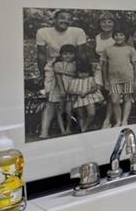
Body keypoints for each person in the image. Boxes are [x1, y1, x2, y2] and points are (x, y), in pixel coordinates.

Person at [36, 11, 87, 139]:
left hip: (71, 66)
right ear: (55, 19)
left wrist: (83, 71)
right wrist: (42, 72)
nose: (65, 20)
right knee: (51, 99)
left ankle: (75, 128)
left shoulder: (78, 31)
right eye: (62, 18)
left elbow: (82, 53)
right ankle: (44, 131)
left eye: (69, 18)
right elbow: (41, 54)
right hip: (52, 66)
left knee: (72, 98)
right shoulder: (43, 32)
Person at [101, 26, 136, 127]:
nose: (118, 37)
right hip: (113, 79)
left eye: (121, 35)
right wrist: (105, 81)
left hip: (128, 78)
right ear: (113, 37)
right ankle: (118, 121)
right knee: (115, 101)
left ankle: (124, 121)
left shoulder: (130, 49)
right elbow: (104, 67)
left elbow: (135, 66)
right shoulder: (107, 50)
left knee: (127, 99)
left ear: (125, 37)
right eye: (116, 35)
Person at [92, 12, 118, 129]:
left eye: (109, 21)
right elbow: (96, 54)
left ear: (114, 23)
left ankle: (107, 120)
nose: (106, 24)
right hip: (100, 68)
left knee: (111, 94)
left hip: (114, 67)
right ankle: (95, 117)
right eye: (103, 21)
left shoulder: (118, 36)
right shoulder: (97, 37)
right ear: (99, 23)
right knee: (97, 91)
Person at [49, 45, 78, 137]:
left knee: (69, 110)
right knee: (60, 110)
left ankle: (68, 128)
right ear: (61, 55)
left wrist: (63, 72)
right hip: (60, 89)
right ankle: (62, 129)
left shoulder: (75, 64)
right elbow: (58, 78)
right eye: (65, 54)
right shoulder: (58, 64)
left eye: (70, 54)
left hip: (71, 89)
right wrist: (62, 90)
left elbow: (75, 74)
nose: (68, 56)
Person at [70, 56, 103, 132]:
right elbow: (69, 90)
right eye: (81, 73)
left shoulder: (91, 79)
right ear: (77, 73)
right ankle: (82, 129)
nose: (83, 75)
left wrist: (87, 92)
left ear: (89, 72)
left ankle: (85, 125)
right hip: (79, 99)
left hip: (89, 98)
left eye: (85, 72)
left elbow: (95, 88)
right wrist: (77, 92)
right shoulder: (74, 81)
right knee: (81, 115)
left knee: (91, 113)